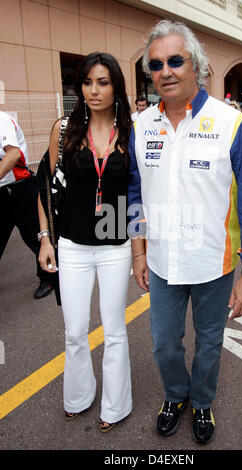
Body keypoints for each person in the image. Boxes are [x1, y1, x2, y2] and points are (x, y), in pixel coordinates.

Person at [128, 20, 242, 445]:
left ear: (197, 66)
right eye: (156, 64)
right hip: (162, 264)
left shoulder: (232, 123)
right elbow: (135, 194)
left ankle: (202, 401)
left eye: (176, 60)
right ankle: (176, 395)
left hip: (214, 263)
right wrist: (138, 253)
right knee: (164, 345)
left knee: (209, 345)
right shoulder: (140, 126)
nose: (165, 71)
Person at [38, 52, 133, 430]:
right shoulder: (64, 129)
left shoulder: (131, 129)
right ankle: (78, 395)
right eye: (87, 82)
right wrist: (45, 238)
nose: (94, 90)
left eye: (103, 82)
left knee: (114, 330)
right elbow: (46, 185)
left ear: (116, 87)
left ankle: (116, 405)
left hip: (116, 245)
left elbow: (142, 189)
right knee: (75, 330)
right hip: (73, 245)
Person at [0, 110, 53, 299]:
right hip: (2, 191)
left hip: (19, 189)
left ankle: (48, 277)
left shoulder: (2, 119)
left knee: (35, 236)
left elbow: (13, 154)